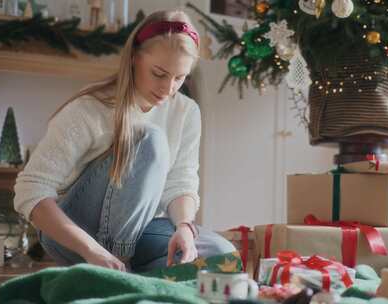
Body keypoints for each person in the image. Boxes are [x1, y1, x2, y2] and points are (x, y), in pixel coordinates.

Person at [13, 9, 236, 273]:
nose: (168, 89)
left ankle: (129, 275)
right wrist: (91, 249)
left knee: (223, 256)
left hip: (141, 231)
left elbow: (180, 183)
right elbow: (31, 190)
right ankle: (118, 272)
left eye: (180, 78)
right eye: (159, 73)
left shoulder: (186, 112)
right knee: (148, 139)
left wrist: (185, 227)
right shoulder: (89, 108)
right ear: (134, 58)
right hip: (76, 236)